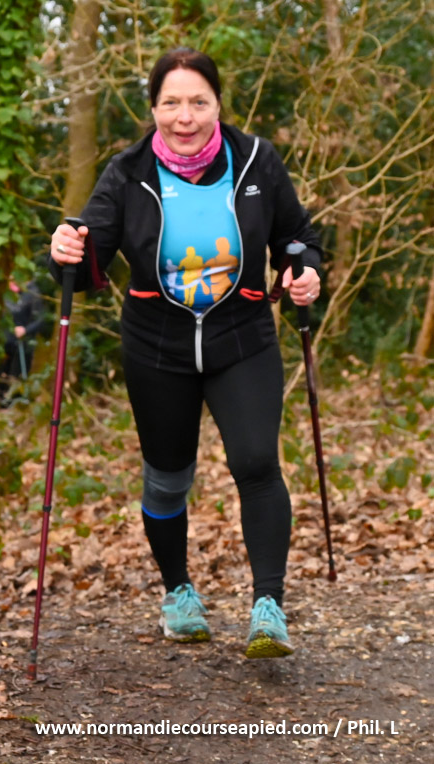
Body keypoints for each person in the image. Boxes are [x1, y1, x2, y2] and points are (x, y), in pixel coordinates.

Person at [48, 48, 323, 658]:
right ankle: (179, 594)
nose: (185, 116)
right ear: (152, 108)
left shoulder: (256, 160)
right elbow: (88, 253)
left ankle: (269, 608)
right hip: (157, 347)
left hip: (242, 338)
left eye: (199, 101)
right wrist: (66, 249)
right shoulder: (127, 173)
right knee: (168, 479)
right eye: (171, 102)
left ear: (218, 104)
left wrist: (303, 271)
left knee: (257, 462)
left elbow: (298, 238)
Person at [0, 278, 45, 406]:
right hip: (6, 341)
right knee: (1, 371)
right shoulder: (7, 293)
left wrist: (25, 330)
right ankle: (1, 397)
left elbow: (40, 319)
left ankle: (14, 400)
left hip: (24, 344)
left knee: (17, 373)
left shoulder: (33, 293)